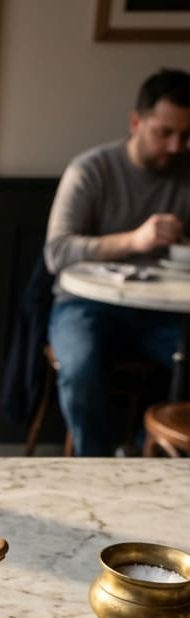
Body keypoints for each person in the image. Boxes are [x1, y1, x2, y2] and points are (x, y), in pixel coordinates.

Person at [44, 67, 190, 456]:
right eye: (164, 133)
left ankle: (146, 457)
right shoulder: (91, 171)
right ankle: (100, 470)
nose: (176, 147)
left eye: (186, 136)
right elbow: (56, 252)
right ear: (136, 122)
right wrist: (135, 240)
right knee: (81, 368)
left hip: (167, 311)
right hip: (86, 304)